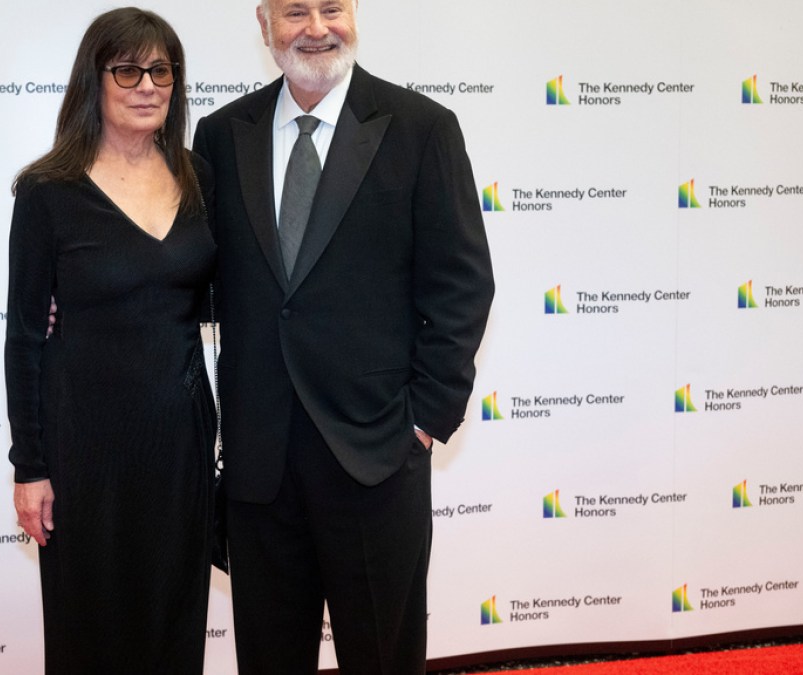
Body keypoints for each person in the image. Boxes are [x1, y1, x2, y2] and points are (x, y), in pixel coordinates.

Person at [191, 0, 494, 672]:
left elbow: (463, 284)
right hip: (260, 466)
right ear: (265, 25)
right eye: (295, 11)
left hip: (376, 457)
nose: (317, 27)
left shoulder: (421, 129)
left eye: (332, 7)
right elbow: (197, 276)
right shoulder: (221, 135)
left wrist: (423, 421)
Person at [3, 8, 215, 674]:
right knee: (90, 627)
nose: (147, 85)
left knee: (173, 618)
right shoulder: (48, 191)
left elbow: (218, 297)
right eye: (127, 70)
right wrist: (29, 466)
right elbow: (24, 337)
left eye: (161, 71)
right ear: (93, 79)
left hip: (179, 442)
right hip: (83, 448)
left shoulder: (198, 177)